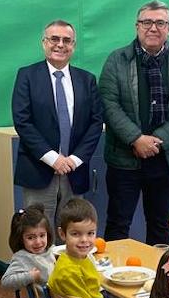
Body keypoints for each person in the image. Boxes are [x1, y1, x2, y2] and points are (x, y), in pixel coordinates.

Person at [99, 0, 169, 245]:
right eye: (147, 22)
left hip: (164, 160)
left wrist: (157, 141)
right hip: (124, 158)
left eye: (160, 23)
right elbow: (108, 104)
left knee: (159, 225)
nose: (153, 28)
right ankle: (114, 281)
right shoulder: (116, 61)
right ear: (137, 26)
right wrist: (136, 138)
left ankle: (160, 282)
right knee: (118, 223)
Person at [12, 19, 105, 229]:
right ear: (44, 43)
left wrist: (74, 159)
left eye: (67, 40)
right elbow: (22, 121)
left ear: (74, 45)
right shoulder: (27, 76)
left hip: (75, 171)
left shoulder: (87, 79)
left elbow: (96, 122)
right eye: (54, 39)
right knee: (38, 235)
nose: (60, 45)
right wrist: (54, 159)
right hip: (39, 170)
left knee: (73, 231)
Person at [48, 198, 103, 298]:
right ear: (62, 234)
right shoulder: (69, 272)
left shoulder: (80, 258)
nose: (84, 240)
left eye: (90, 233)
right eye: (76, 234)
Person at [1, 204, 57, 298]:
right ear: (21, 238)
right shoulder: (22, 257)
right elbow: (5, 281)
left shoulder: (50, 250)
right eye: (31, 238)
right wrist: (30, 276)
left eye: (42, 235)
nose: (38, 242)